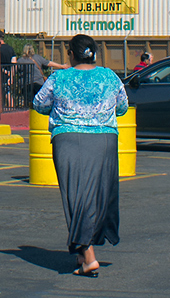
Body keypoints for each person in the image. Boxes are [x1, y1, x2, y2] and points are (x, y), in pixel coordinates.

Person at [32, 34, 129, 278]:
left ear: (71, 55)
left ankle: (88, 256)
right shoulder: (109, 76)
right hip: (105, 140)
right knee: (99, 195)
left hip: (69, 139)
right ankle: (83, 251)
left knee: (76, 195)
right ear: (94, 53)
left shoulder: (59, 77)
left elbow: (39, 104)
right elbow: (123, 107)